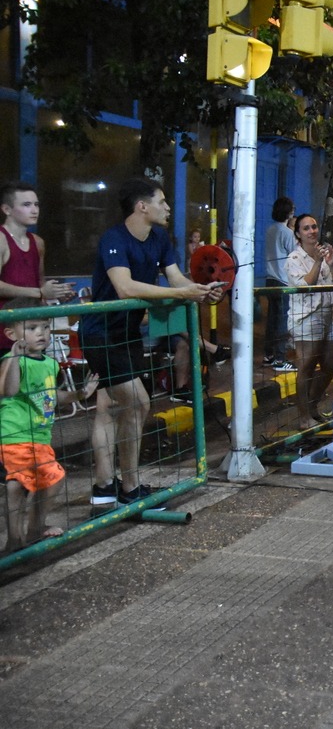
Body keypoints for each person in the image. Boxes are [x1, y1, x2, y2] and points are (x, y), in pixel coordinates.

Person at [80, 177, 224, 506]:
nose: (168, 207)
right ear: (142, 206)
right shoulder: (114, 238)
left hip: (129, 333)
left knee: (108, 408)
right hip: (100, 333)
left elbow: (175, 278)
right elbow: (125, 287)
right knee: (138, 403)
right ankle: (129, 488)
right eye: (162, 201)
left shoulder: (160, 238)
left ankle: (104, 489)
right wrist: (183, 293)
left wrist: (201, 291)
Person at [1, 298, 98, 550]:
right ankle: (21, 537)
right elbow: (8, 390)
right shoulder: (13, 361)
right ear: (12, 334)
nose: (41, 333)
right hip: (17, 433)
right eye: (32, 328)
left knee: (37, 482)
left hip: (40, 435)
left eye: (45, 327)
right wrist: (13, 358)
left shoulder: (49, 363)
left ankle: (27, 533)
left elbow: (52, 397)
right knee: (31, 482)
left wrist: (80, 394)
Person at [0, 182, 76, 355]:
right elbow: (38, 290)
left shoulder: (37, 242)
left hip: (32, 331)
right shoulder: (1, 240)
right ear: (7, 209)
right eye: (26, 205)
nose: (34, 210)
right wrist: (40, 292)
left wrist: (56, 293)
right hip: (5, 330)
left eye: (36, 204)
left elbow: (39, 284)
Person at [285, 214, 333, 428]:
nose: (312, 231)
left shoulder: (325, 253)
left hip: (328, 315)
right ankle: (304, 417)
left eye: (314, 226)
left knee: (331, 364)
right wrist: (317, 262)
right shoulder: (294, 259)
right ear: (298, 234)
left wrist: (331, 263)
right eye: (306, 228)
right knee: (306, 366)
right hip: (306, 318)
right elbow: (306, 285)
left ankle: (312, 406)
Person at [263, 197, 296, 372]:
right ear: (288, 212)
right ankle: (280, 359)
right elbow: (294, 255)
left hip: (270, 279)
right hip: (283, 281)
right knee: (282, 320)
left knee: (272, 319)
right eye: (292, 209)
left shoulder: (270, 230)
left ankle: (268, 355)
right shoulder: (287, 233)